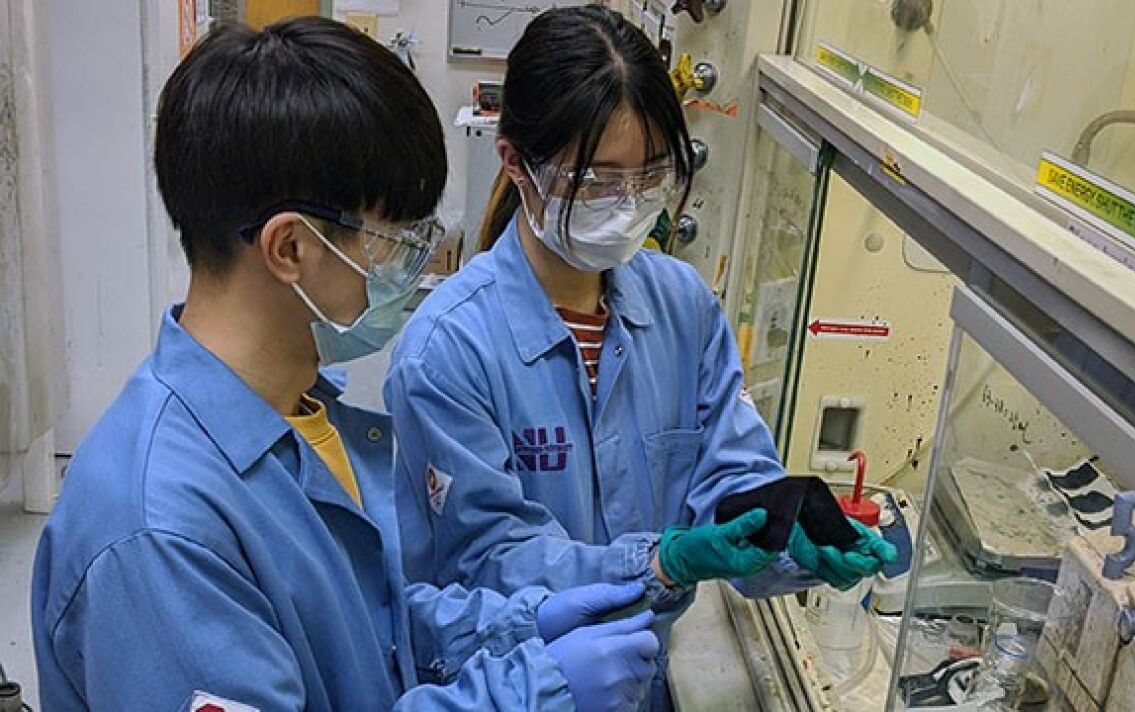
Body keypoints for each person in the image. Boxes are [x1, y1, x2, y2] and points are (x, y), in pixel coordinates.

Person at [30, 17, 660, 711]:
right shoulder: (159, 531)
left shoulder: (304, 419)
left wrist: (521, 627)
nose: (410, 267)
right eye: (393, 241)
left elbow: (367, 633)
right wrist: (538, 691)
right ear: (290, 249)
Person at [385, 6, 898, 709]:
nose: (627, 206)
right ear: (515, 163)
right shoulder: (448, 350)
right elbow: (492, 560)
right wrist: (659, 563)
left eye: (650, 175)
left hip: (647, 681)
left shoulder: (683, 307)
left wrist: (788, 536)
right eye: (596, 182)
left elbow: (732, 477)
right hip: (524, 687)